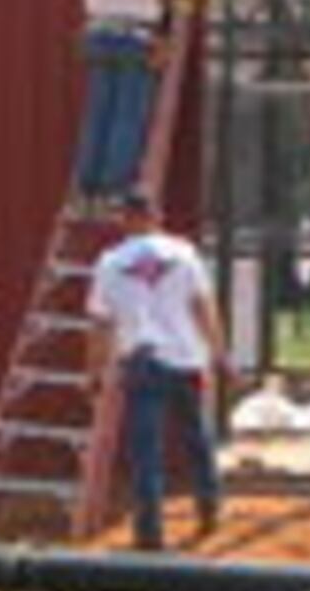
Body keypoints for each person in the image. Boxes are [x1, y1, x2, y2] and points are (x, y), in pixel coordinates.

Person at [84, 188, 224, 550]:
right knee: (197, 439)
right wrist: (219, 353)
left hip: (143, 361)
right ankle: (209, 509)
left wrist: (94, 371)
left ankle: (149, 534)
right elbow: (203, 306)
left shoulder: (111, 262)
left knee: (146, 451)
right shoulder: (184, 253)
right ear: (156, 216)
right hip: (187, 358)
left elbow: (100, 323)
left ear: (125, 219)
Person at [62, 0, 177, 206]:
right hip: (135, 31)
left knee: (98, 111)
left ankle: (87, 186)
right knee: (128, 113)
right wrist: (161, 9)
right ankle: (114, 189)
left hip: (98, 29)